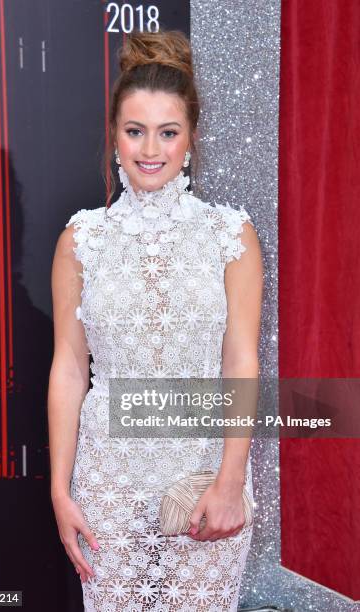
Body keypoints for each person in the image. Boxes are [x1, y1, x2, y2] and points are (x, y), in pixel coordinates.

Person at [48, 29, 263, 612]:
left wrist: (229, 479)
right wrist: (59, 490)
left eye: (168, 132)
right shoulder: (81, 241)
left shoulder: (231, 237)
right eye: (134, 130)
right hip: (107, 483)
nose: (151, 149)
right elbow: (69, 367)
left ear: (191, 137)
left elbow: (241, 360)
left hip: (203, 472)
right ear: (114, 136)